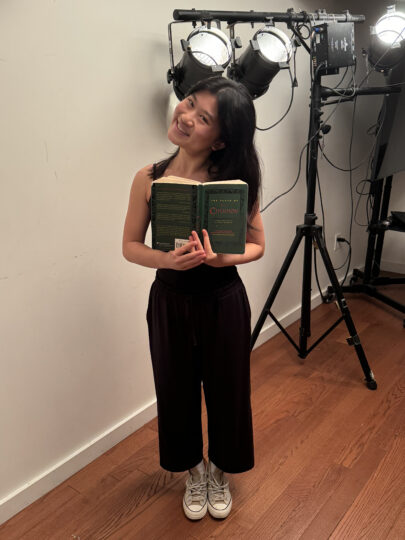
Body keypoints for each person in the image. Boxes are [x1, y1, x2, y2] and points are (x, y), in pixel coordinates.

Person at [122, 76, 265, 520]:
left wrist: (221, 258)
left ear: (221, 140)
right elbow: (130, 246)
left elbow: (258, 244)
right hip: (169, 300)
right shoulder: (148, 178)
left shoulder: (236, 182)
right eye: (188, 103)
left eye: (203, 118)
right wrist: (168, 261)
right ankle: (193, 471)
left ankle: (220, 470)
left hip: (223, 299)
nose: (184, 116)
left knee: (229, 389)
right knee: (175, 389)